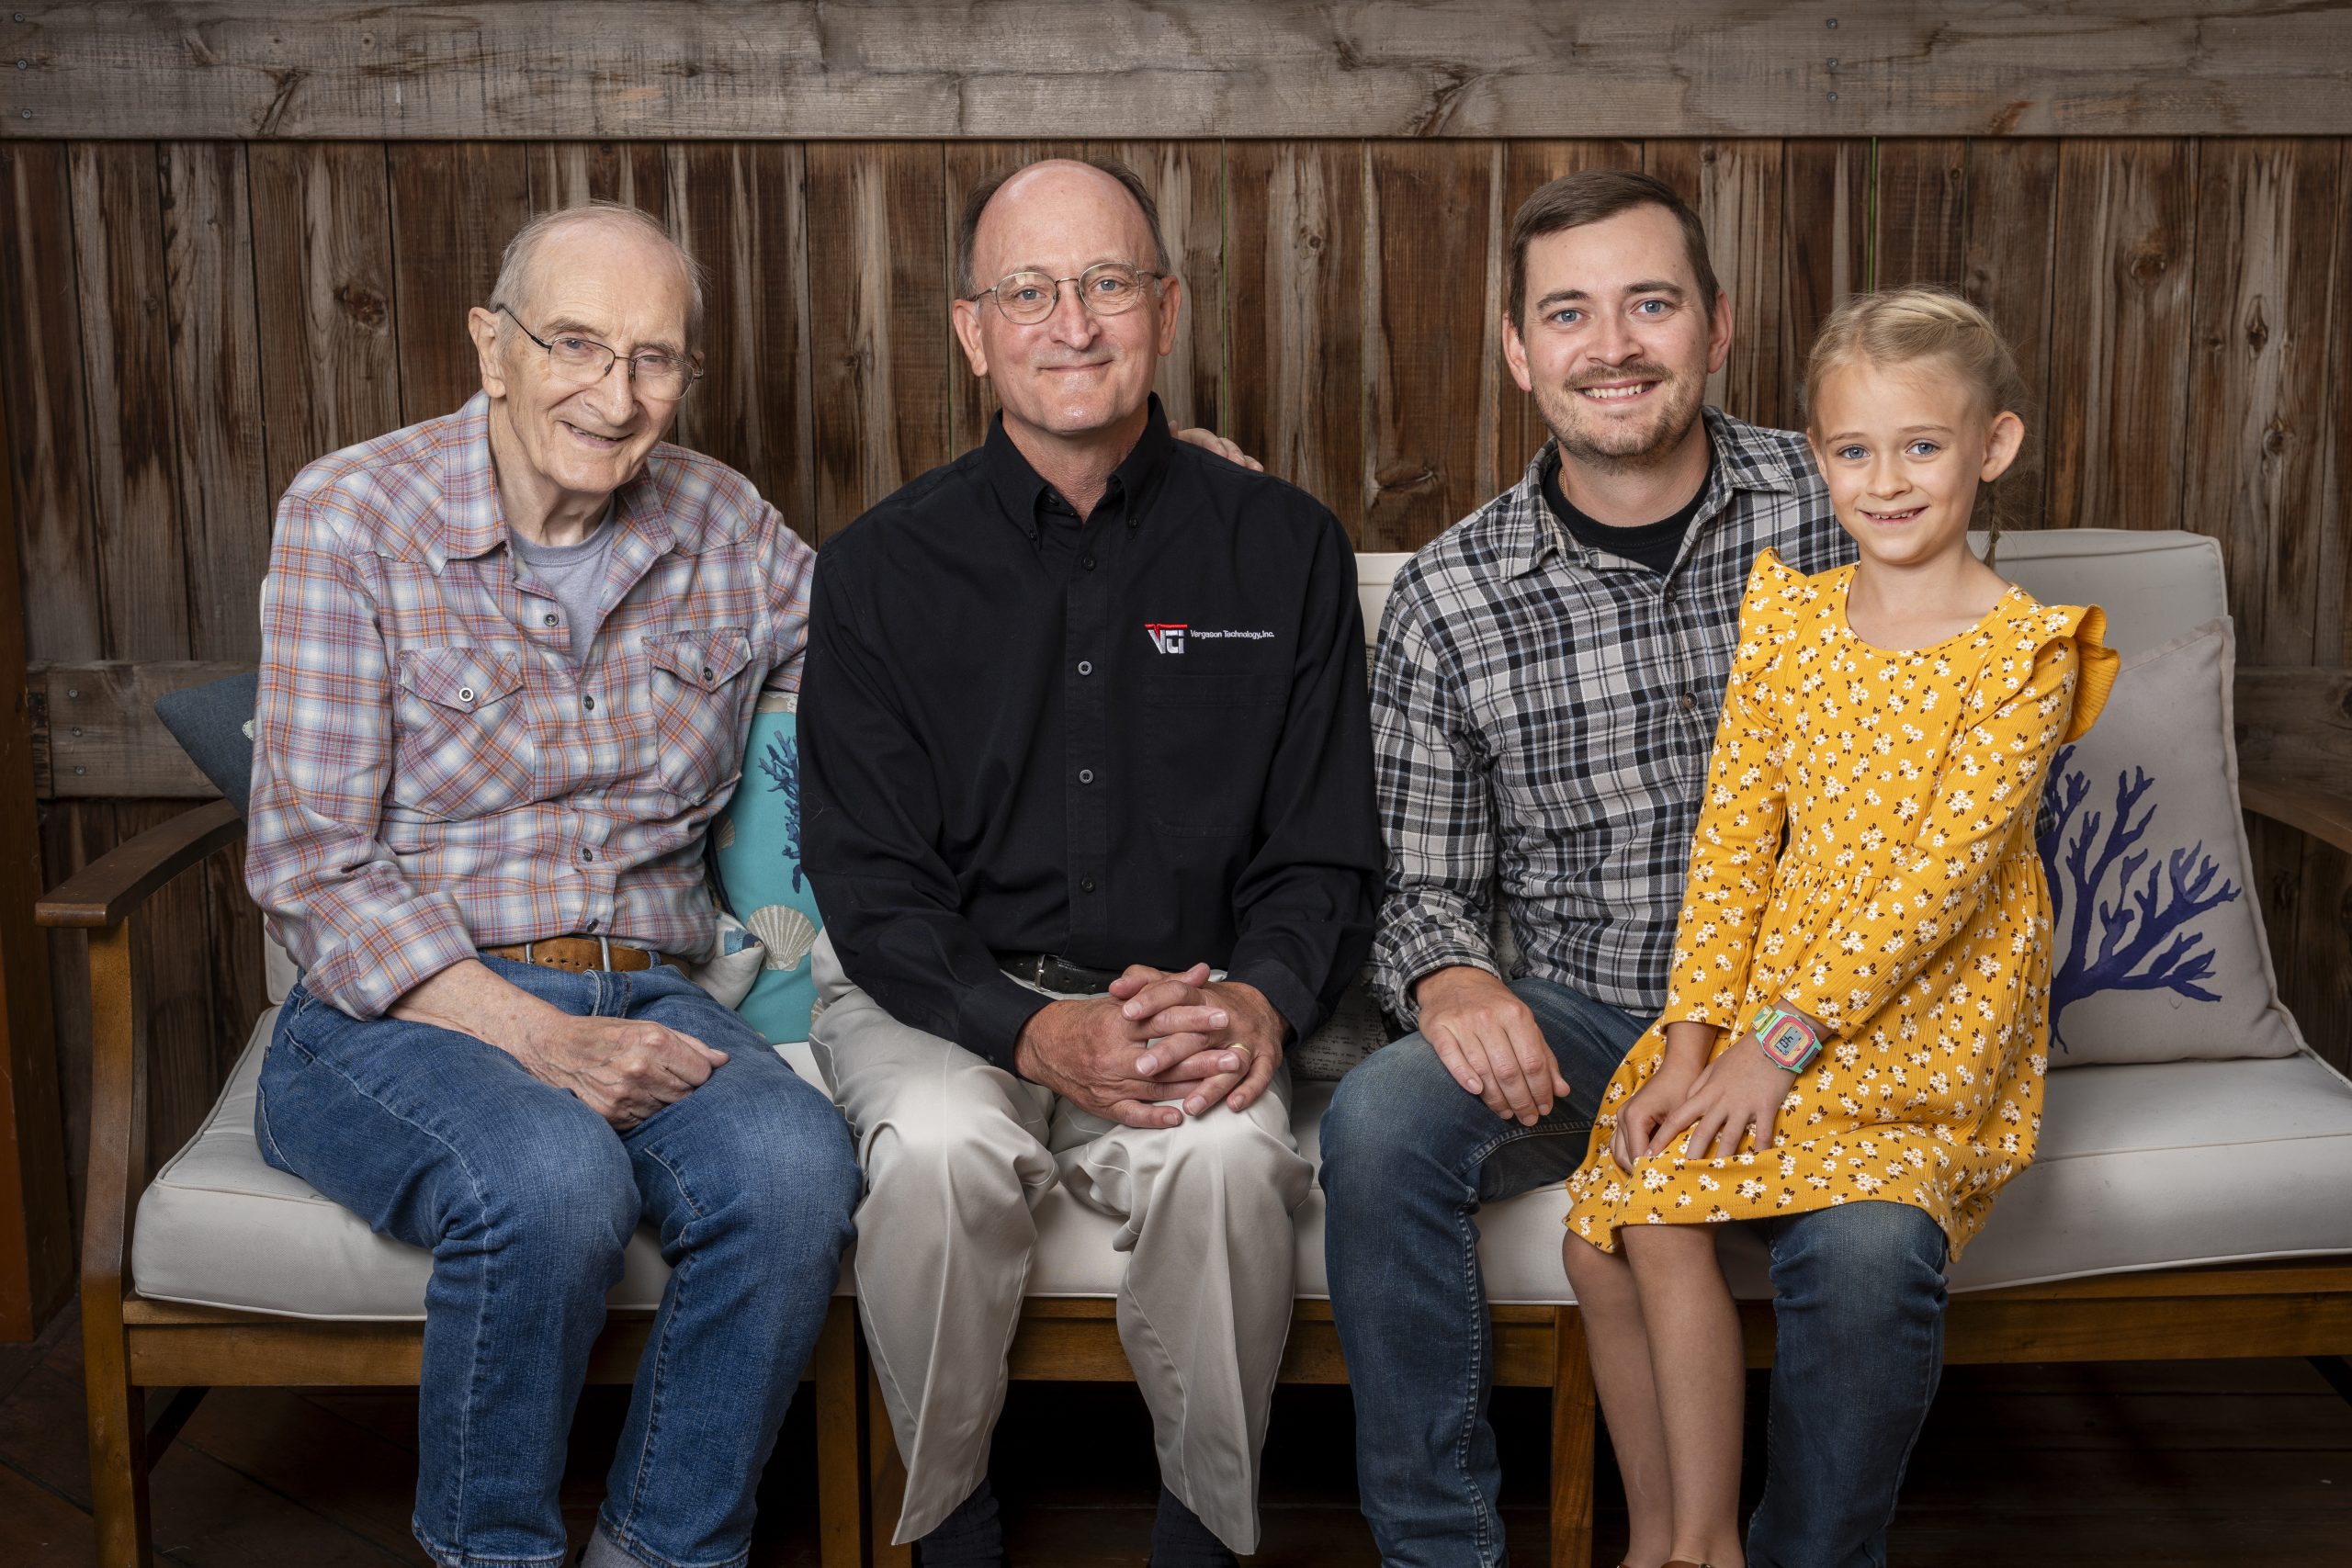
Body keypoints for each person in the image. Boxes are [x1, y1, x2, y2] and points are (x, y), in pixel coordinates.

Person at [244, 202, 864, 1568]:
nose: (615, 394)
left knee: (794, 1169)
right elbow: (310, 866)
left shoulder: (724, 521)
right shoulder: (353, 515)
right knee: (552, 1177)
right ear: (492, 346)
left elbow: (901, 650)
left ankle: (664, 1552)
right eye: (576, 343)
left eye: (655, 358)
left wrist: (1149, 485)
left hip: (648, 985)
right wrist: (537, 1037)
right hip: (397, 1015)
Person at [798, 156, 1380, 1567]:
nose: (1072, 323)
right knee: (938, 1154)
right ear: (973, 329)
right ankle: (950, 1526)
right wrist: (1028, 1029)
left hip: (1192, 993)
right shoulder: (877, 568)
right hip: (943, 1000)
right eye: (1030, 292)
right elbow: (870, 883)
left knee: (1230, 1166)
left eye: (1108, 284)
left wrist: (1257, 999)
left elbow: (1322, 847)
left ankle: (1205, 1535)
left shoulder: (1286, 548)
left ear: (1166, 313)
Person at [1317, 170, 1874, 1568]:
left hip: (1825, 1014)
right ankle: (1438, 1554)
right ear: (1519, 350)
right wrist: (1449, 978)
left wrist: (1788, 1031)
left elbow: (1950, 796)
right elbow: (1422, 886)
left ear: (1717, 327)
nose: (1611, 346)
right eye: (1568, 313)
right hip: (1593, 1013)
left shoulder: (1846, 506)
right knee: (1380, 1123)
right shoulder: (1453, 595)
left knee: (1871, 1250)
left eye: (1651, 305)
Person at [1560, 285, 2117, 1568]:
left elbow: (1934, 892)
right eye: (1855, 450)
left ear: (1993, 445)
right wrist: (1695, 1045)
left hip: (1914, 1031)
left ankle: (1711, 1548)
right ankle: (1674, 1541)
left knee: (1663, 1202)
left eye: (1922, 446)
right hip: (1760, 1012)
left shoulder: (2025, 655)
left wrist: (1781, 1046)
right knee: (1616, 1229)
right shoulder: (1789, 621)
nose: (1887, 481)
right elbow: (1731, 846)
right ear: (1816, 458)